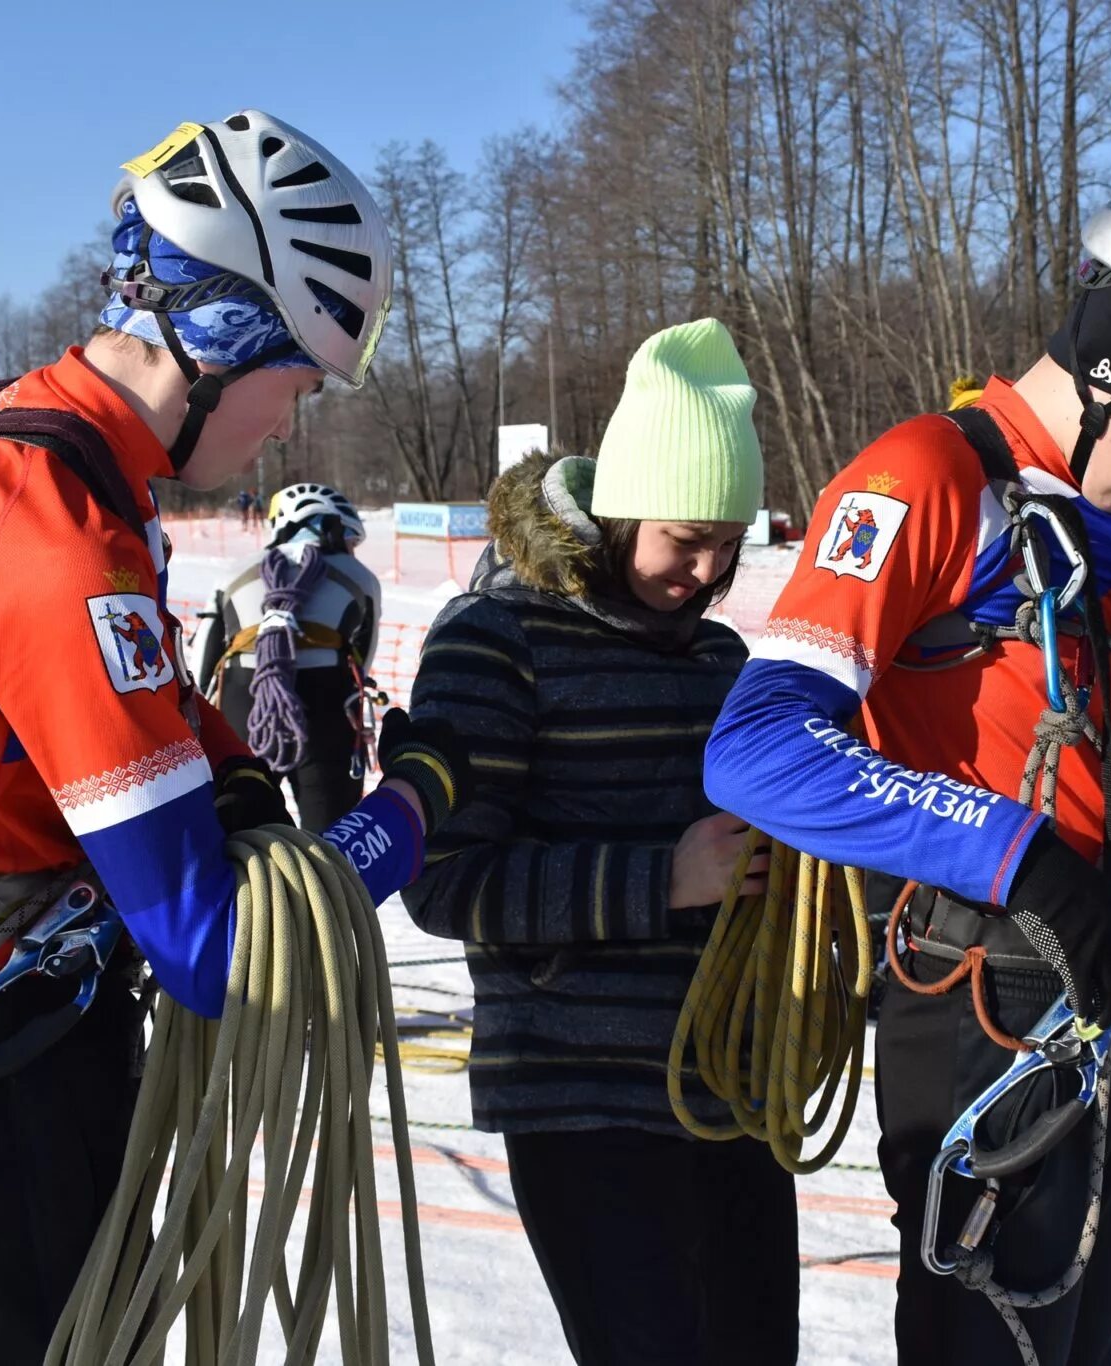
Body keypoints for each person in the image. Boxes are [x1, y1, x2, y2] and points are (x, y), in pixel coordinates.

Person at [0, 110, 467, 1365]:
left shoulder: (61, 453)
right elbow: (219, 947)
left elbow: (147, 695)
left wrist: (229, 780)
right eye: (295, 381)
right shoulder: (55, 527)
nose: (290, 426)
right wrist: (423, 798)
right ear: (218, 338)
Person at [703, 159, 1111, 1364]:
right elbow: (758, 751)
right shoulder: (926, 476)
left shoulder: (1099, 518)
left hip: (1105, 986)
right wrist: (1021, 854)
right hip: (981, 997)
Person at [401, 319, 798, 1365]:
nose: (705, 568)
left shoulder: (719, 652)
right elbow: (444, 885)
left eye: (728, 542)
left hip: (727, 1081)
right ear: (621, 507)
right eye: (681, 538)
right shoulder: (494, 638)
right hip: (580, 1089)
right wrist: (660, 878)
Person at [195, 482, 383, 832]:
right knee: (332, 839)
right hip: (327, 705)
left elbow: (202, 657)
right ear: (331, 526)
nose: (351, 550)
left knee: (235, 834)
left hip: (243, 700)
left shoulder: (234, 571)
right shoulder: (360, 576)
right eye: (349, 539)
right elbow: (363, 658)